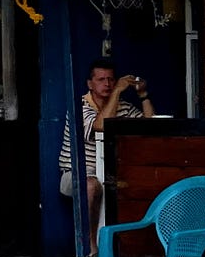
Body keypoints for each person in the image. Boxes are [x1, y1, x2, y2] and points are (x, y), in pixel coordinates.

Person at [59, 57, 154, 231]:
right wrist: (117, 91)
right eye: (101, 80)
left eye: (111, 79)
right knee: (90, 185)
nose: (107, 84)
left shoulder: (122, 106)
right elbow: (101, 126)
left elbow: (150, 127)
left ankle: (124, 247)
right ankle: (90, 250)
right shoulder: (79, 106)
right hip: (76, 173)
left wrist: (143, 95)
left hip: (112, 174)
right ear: (90, 84)